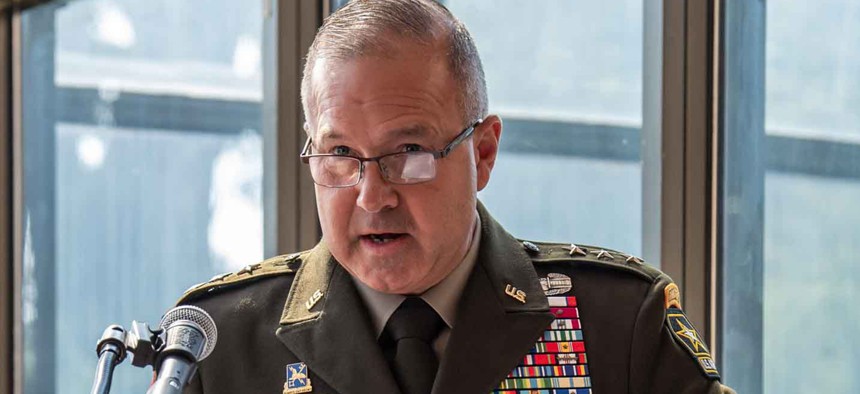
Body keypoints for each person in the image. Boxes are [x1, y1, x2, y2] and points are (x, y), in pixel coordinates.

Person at [174, 1, 735, 393]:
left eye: (410, 151)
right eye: (340, 153)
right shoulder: (219, 345)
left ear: (483, 153)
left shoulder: (618, 326)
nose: (373, 196)